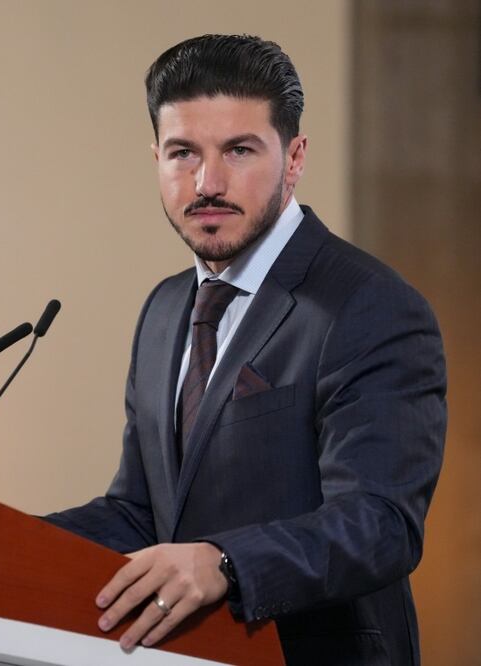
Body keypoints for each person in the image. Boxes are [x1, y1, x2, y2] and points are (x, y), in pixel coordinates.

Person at [44, 34, 446, 665]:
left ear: (294, 158)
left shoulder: (370, 305)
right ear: (155, 158)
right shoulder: (164, 308)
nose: (208, 182)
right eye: (182, 153)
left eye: (239, 150)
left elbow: (380, 524)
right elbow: (142, 513)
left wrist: (227, 563)